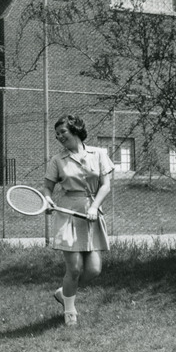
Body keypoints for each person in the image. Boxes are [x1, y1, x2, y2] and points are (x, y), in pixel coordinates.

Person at [43, 114, 113, 326]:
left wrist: (94, 206)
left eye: (63, 132)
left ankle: (63, 293)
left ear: (75, 130)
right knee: (73, 269)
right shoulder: (57, 160)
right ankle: (70, 311)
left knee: (93, 270)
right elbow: (47, 187)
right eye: (57, 135)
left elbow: (105, 185)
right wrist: (47, 200)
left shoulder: (99, 154)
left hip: (91, 214)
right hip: (67, 215)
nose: (59, 137)